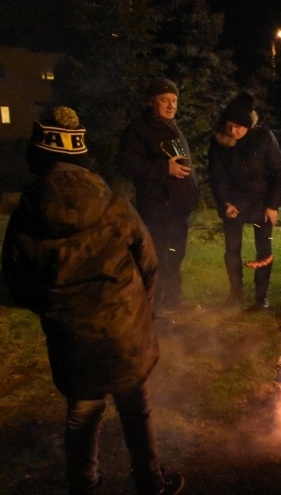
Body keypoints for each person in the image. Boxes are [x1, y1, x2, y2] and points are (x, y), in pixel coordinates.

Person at [1, 107, 185, 495]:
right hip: (124, 331)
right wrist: (139, 310)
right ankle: (150, 488)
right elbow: (149, 262)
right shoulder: (114, 204)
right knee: (135, 409)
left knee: (82, 418)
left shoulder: (27, 214)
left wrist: (54, 309)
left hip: (72, 335)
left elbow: (16, 278)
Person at [118, 77, 199, 316]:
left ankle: (173, 301)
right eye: (165, 100)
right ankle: (154, 307)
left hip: (179, 207)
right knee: (158, 258)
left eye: (174, 100)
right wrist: (165, 168)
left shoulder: (172, 128)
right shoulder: (138, 130)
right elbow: (127, 165)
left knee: (175, 257)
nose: (171, 105)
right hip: (158, 209)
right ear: (151, 102)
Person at [207, 92, 281, 310]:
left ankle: (261, 297)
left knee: (263, 250)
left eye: (239, 127)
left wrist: (272, 205)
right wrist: (225, 202)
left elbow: (279, 173)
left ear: (248, 125)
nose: (233, 131)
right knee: (232, 249)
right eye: (230, 126)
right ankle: (236, 293)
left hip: (261, 201)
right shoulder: (219, 141)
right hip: (233, 203)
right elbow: (216, 176)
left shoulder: (263, 137)